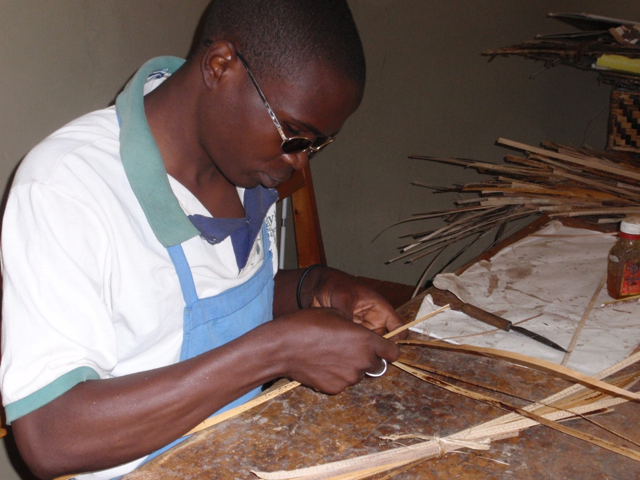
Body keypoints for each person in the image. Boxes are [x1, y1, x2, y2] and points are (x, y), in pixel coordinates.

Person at [0, 1, 405, 479]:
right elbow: (49, 436)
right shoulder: (67, 188)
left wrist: (314, 288)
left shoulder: (243, 168)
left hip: (240, 450)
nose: (299, 165)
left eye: (315, 144)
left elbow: (184, 313)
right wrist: (276, 351)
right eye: (293, 134)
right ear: (220, 66)